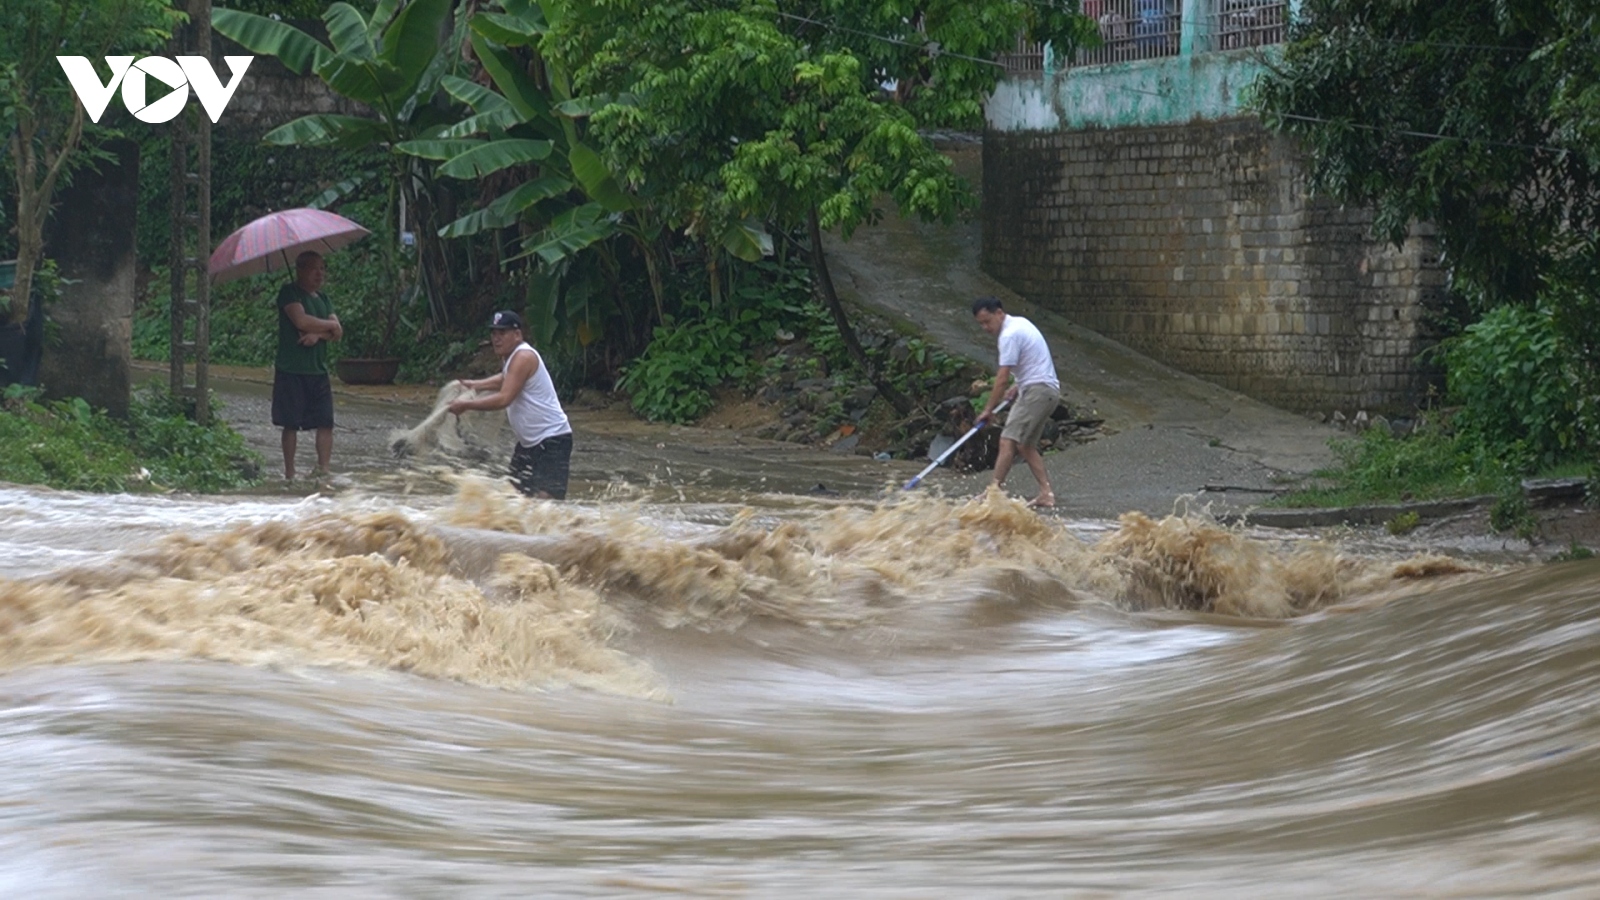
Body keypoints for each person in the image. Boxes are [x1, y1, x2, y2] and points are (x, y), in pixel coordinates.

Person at [449, 310, 574, 499]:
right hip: (529, 444)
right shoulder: (510, 357)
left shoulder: (523, 357)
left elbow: (504, 398)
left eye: (502, 333)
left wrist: (467, 405)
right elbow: (506, 378)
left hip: (552, 440)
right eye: (494, 334)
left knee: (546, 503)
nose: (496, 339)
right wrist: (476, 385)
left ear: (517, 335)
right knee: (514, 499)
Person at [972, 296, 1061, 508]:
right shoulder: (1020, 323)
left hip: (1037, 391)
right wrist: (1018, 385)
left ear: (999, 313)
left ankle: (992, 493)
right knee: (1024, 444)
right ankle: (1045, 493)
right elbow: (1032, 362)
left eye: (988, 321)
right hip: (1045, 390)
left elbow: (1002, 378)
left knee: (1007, 440)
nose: (985, 327)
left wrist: (988, 410)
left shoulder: (1009, 335)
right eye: (981, 324)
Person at [273, 250, 342, 481]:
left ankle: (323, 469)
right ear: (300, 270)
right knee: (290, 423)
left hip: (318, 370)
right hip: (291, 369)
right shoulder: (289, 293)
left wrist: (318, 335)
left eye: (322, 268)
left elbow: (338, 332)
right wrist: (327, 327)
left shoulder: (323, 299)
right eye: (314, 268)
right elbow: (300, 320)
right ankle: (290, 472)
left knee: (325, 422)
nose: (319, 273)